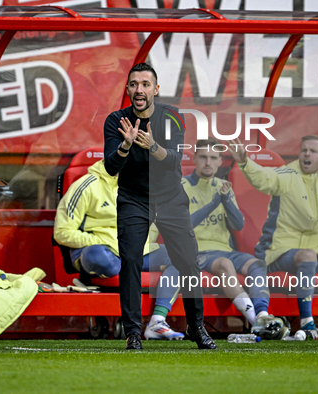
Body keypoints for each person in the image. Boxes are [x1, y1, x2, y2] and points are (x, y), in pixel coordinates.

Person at [103, 63, 216, 350]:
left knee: (189, 262)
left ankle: (196, 326)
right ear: (128, 89)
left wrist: (152, 145)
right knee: (129, 261)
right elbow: (111, 167)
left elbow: (175, 163)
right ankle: (133, 334)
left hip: (169, 198)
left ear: (156, 89)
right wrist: (126, 145)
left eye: (144, 84)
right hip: (133, 198)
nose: (138, 90)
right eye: (133, 84)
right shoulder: (116, 120)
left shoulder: (173, 117)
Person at [228, 135, 318, 336]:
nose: (307, 154)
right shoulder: (287, 174)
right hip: (280, 253)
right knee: (307, 255)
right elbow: (265, 179)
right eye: (304, 150)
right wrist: (245, 163)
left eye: (313, 151)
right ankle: (306, 322)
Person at [53, 159, 184, 340]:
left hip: (134, 251)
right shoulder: (86, 185)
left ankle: (157, 321)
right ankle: (128, 270)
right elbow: (62, 232)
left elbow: (152, 226)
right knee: (102, 259)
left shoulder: (144, 186)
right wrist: (105, 240)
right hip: (99, 251)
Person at [182, 139, 288, 339]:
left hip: (225, 249)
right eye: (203, 157)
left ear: (220, 161)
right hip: (197, 252)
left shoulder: (223, 186)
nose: (208, 162)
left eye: (213, 158)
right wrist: (214, 203)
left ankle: (263, 314)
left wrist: (226, 200)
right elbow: (187, 224)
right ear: (194, 158)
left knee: (257, 264)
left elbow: (238, 224)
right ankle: (255, 321)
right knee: (224, 264)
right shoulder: (183, 185)